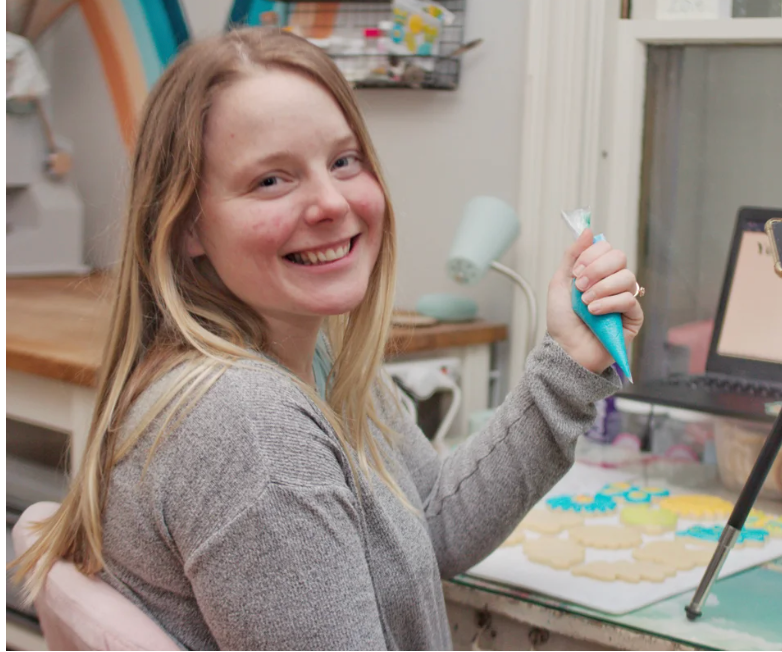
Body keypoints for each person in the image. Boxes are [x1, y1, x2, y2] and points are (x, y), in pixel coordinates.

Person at [11, 28, 643, 650]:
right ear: (186, 227)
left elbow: (434, 525)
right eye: (271, 180)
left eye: (344, 161)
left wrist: (569, 363)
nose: (331, 204)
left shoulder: (312, 353)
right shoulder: (251, 429)